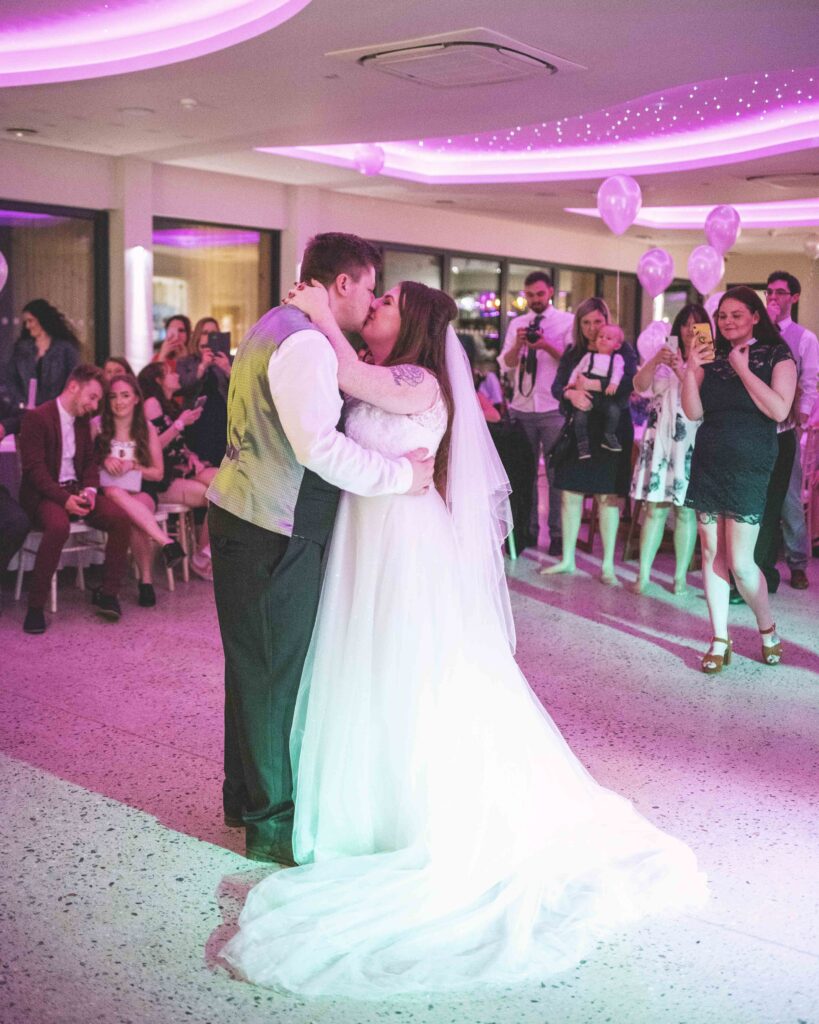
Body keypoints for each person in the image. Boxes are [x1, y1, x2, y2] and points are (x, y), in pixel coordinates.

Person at [220, 277, 708, 998]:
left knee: (405, 663)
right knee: (361, 660)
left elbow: (353, 378)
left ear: (413, 323)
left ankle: (403, 804)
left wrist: (321, 315)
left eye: (385, 302)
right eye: (373, 299)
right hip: (368, 529)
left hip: (399, 541)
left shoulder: (415, 379)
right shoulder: (381, 375)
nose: (374, 307)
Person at [205, 233, 434, 865]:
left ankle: (241, 797)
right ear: (343, 285)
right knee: (273, 674)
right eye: (369, 287)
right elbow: (318, 448)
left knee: (255, 667)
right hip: (273, 525)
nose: (370, 299)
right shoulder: (305, 342)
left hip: (245, 513)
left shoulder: (280, 326)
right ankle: (272, 822)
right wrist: (400, 478)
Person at [682, 286, 796, 673]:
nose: (727, 321)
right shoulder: (709, 358)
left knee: (743, 564)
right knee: (712, 553)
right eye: (722, 315)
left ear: (755, 317)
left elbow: (779, 410)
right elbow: (694, 412)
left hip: (751, 460)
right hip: (710, 459)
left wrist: (743, 368)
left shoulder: (777, 355)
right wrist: (689, 369)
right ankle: (718, 638)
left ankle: (767, 628)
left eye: (736, 315)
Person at [17, 364, 132, 633]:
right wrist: (64, 499)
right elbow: (35, 471)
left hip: (76, 490)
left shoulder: (81, 423)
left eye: (98, 400)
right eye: (92, 397)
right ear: (73, 387)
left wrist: (90, 491)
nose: (94, 406)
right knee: (58, 527)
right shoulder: (37, 417)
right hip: (45, 494)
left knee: (120, 519)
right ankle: (35, 607)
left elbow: (90, 463)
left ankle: (108, 593)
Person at [541, 298, 637, 585]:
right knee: (570, 494)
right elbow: (558, 386)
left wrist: (593, 386)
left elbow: (627, 388)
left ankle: (607, 566)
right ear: (578, 326)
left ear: (606, 320)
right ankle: (567, 559)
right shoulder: (574, 353)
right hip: (579, 431)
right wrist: (571, 394)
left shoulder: (624, 351)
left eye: (598, 321)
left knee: (608, 498)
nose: (593, 328)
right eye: (586, 323)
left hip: (611, 431)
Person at [748, 271, 818, 594]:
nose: (773, 298)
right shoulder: (756, 333)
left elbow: (810, 381)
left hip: (786, 427)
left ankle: (797, 563)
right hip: (756, 427)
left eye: (779, 292)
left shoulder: (804, 338)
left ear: (794, 297)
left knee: (789, 497)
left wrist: (803, 415)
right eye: (769, 293)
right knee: (758, 495)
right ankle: (756, 561)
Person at [630, 304, 707, 595]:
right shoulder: (664, 355)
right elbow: (640, 386)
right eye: (685, 324)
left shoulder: (709, 360)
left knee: (686, 511)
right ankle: (643, 575)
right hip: (659, 435)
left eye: (696, 324)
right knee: (655, 507)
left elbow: (700, 394)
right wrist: (654, 361)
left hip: (689, 438)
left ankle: (680, 578)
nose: (690, 329)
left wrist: (680, 365)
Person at [93, 373, 184, 607]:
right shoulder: (97, 426)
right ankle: (166, 545)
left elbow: (158, 473)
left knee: (136, 515)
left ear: (135, 399)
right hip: (109, 493)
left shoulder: (147, 429)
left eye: (125, 395)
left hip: (142, 490)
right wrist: (104, 460)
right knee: (114, 493)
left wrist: (132, 465)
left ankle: (146, 579)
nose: (119, 401)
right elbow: (85, 463)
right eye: (113, 396)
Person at [498, 271, 573, 554]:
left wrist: (545, 345)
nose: (535, 300)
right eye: (530, 295)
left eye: (540, 294)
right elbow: (505, 364)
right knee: (523, 475)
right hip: (522, 407)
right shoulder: (518, 323)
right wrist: (519, 344)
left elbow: (570, 362)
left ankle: (557, 535)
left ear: (551, 292)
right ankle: (526, 532)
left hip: (553, 407)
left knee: (555, 476)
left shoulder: (567, 322)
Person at [136, 362, 214, 579]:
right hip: (165, 476)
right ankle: (203, 556)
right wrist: (180, 424)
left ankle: (208, 551)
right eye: (170, 372)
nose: (176, 375)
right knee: (217, 496)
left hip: (182, 466)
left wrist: (191, 457)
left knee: (227, 483)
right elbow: (155, 446)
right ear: (158, 380)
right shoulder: (151, 403)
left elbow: (176, 445)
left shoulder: (166, 403)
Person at [2, 299, 82, 436]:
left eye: (31, 321)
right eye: (25, 322)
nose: (27, 326)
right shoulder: (21, 349)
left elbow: (74, 380)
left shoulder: (65, 350)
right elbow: (10, 379)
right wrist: (21, 401)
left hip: (56, 414)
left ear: (42, 320)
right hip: (27, 413)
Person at [176, 317, 231, 467]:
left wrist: (227, 369)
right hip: (197, 421)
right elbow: (182, 387)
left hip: (222, 420)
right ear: (198, 336)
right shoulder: (185, 362)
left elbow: (242, 389)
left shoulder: (227, 359)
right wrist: (202, 367)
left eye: (213, 333)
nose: (208, 337)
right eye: (205, 332)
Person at [566, 323, 625, 459]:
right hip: (586, 393)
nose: (603, 339)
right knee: (580, 416)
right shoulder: (588, 356)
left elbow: (618, 372)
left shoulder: (617, 358)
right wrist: (571, 383)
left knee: (614, 411)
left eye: (608, 338)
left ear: (617, 345)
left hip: (604, 394)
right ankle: (582, 444)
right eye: (601, 336)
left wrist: (613, 383)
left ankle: (609, 435)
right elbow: (577, 370)